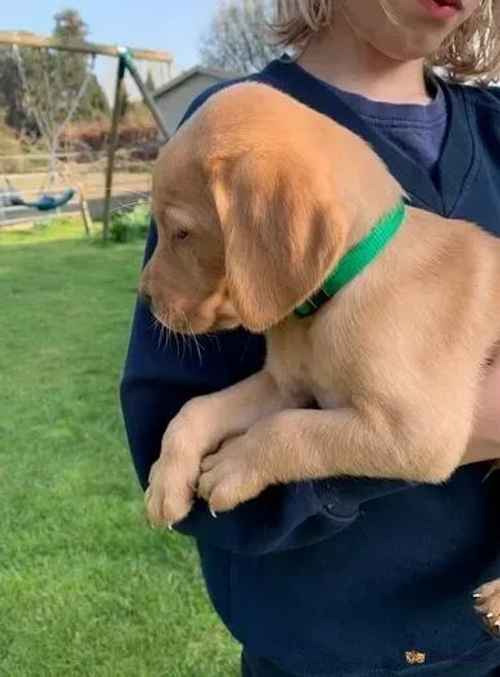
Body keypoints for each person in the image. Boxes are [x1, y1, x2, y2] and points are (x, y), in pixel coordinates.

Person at [121, 1, 500, 674]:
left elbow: (414, 433)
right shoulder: (234, 138)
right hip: (319, 652)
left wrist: (280, 443)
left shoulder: (492, 131)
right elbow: (205, 445)